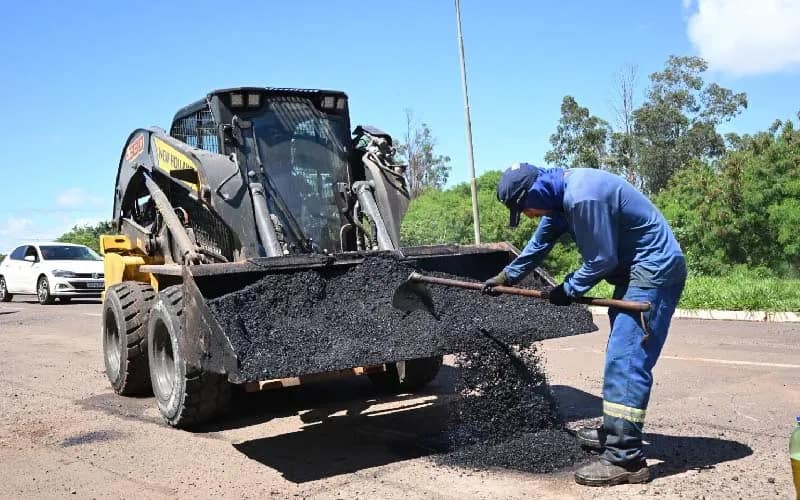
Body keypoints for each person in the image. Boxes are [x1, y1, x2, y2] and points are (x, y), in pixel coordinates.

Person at [482, 163, 686, 487]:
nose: (531, 216)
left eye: (526, 209)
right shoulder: (562, 195)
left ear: (535, 192)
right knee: (621, 354)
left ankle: (626, 459)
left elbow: (602, 259)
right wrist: (507, 276)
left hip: (653, 271)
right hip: (636, 273)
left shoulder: (581, 197)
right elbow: (539, 244)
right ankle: (616, 431)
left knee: (627, 359)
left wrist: (568, 289)